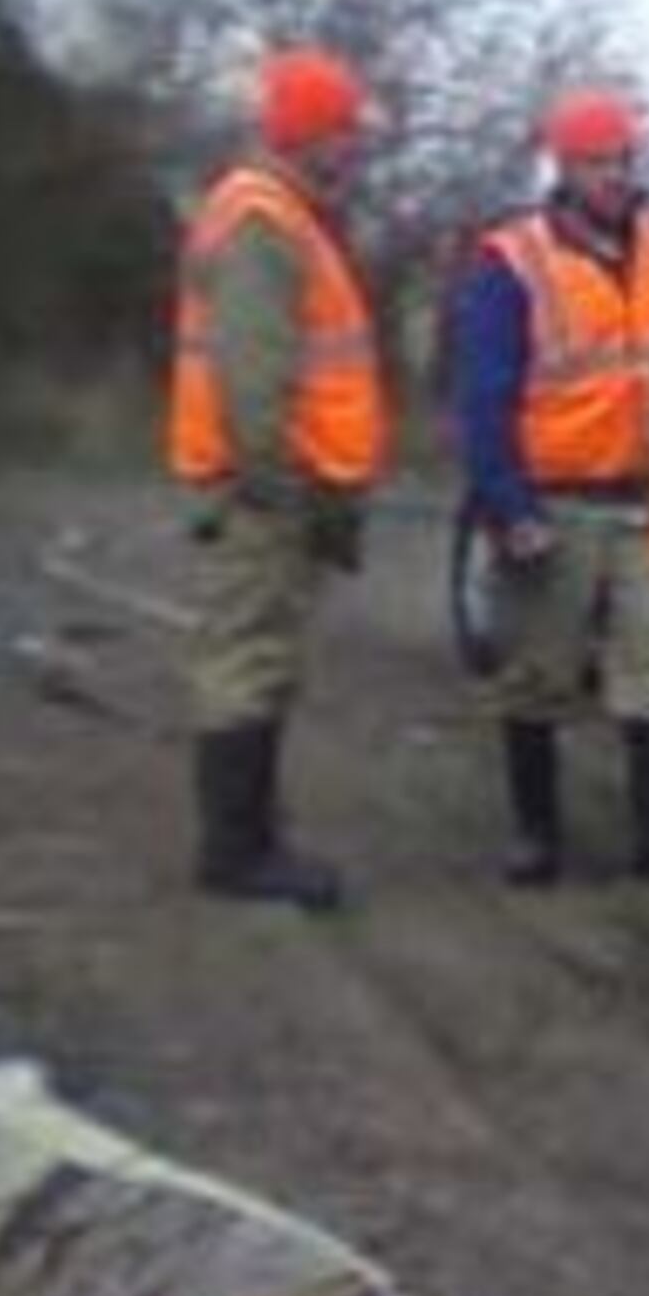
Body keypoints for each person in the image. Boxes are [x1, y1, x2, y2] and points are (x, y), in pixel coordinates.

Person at [447, 88, 649, 886]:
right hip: (554, 504)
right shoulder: (511, 261)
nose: (616, 176)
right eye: (598, 163)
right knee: (536, 676)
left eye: (623, 160)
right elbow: (483, 399)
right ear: (564, 167)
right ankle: (536, 836)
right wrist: (509, 507)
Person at [171, 47, 385, 912]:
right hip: (265, 492)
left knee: (262, 659)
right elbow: (254, 383)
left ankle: (251, 836)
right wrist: (284, 491)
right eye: (345, 131)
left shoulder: (277, 213)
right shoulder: (262, 221)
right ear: (310, 133)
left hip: (273, 487)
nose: (355, 146)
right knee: (248, 661)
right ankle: (237, 852)